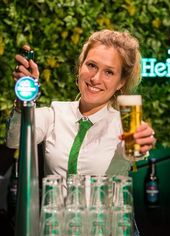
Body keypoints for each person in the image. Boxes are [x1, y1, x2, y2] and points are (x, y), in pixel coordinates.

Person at [6, 29, 156, 191]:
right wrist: (24, 101)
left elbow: (136, 148)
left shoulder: (125, 123)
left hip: (108, 216)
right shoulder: (55, 114)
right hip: (56, 216)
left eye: (109, 72)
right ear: (80, 66)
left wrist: (143, 141)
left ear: (121, 82)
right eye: (91, 65)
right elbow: (15, 139)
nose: (95, 78)